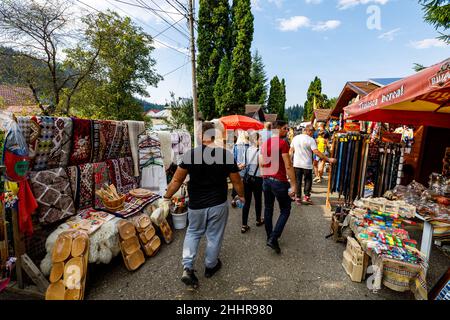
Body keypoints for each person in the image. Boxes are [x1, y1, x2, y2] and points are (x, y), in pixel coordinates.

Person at [163, 122, 245, 289]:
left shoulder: (190, 155)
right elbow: (236, 180)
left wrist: (166, 197)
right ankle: (210, 266)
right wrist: (241, 196)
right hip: (218, 203)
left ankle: (188, 268)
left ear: (201, 136)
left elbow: (177, 180)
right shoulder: (225, 155)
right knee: (214, 235)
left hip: (196, 205)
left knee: (193, 233)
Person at [260, 120, 297, 254]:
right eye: (285, 128)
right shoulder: (282, 143)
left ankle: (270, 237)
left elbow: (262, 162)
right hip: (278, 181)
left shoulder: (265, 143)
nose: (287, 131)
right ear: (278, 129)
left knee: (268, 208)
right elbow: (288, 165)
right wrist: (293, 185)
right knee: (285, 209)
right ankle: (273, 238)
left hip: (266, 180)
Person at [290, 124, 336, 205]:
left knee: (298, 181)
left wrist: (290, 160)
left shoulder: (295, 138)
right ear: (309, 131)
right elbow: (316, 152)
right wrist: (328, 159)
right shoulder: (311, 140)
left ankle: (298, 198)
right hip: (306, 164)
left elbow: (291, 150)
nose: (313, 134)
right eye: (312, 132)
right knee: (308, 180)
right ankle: (306, 198)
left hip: (296, 164)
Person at [240, 132, 264, 233]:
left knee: (247, 202)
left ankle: (244, 225)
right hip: (258, 179)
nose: (262, 141)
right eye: (260, 139)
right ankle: (258, 220)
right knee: (258, 200)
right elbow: (262, 165)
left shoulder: (248, 150)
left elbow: (244, 164)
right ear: (255, 140)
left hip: (247, 179)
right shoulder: (261, 151)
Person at [231, 130, 249, 207]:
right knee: (243, 183)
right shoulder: (248, 146)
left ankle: (234, 198)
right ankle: (242, 198)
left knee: (236, 181)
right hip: (246, 167)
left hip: (237, 166)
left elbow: (233, 157)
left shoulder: (235, 146)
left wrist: (236, 165)